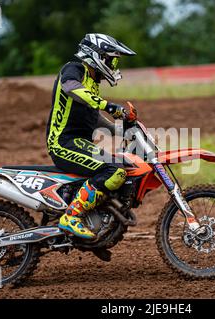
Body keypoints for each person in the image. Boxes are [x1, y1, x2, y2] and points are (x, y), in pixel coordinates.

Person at [46, 33, 136, 240]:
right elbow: (71, 88)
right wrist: (108, 105)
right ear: (97, 56)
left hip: (79, 143)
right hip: (63, 143)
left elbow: (95, 119)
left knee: (122, 166)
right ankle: (72, 216)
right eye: (111, 60)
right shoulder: (74, 69)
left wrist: (123, 131)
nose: (113, 66)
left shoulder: (92, 85)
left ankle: (100, 224)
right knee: (114, 170)